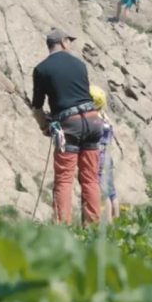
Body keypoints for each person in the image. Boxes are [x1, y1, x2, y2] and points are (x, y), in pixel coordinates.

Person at [31, 29, 102, 224]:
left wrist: (44, 125)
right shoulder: (79, 64)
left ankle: (64, 228)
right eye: (69, 41)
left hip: (69, 125)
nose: (69, 44)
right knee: (90, 178)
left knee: (64, 179)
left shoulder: (41, 69)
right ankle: (93, 226)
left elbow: (37, 105)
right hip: (92, 120)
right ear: (62, 42)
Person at [90, 85, 120, 220]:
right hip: (107, 155)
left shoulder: (95, 119)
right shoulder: (105, 117)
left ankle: (108, 223)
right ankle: (117, 218)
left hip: (98, 156)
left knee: (104, 193)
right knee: (112, 191)